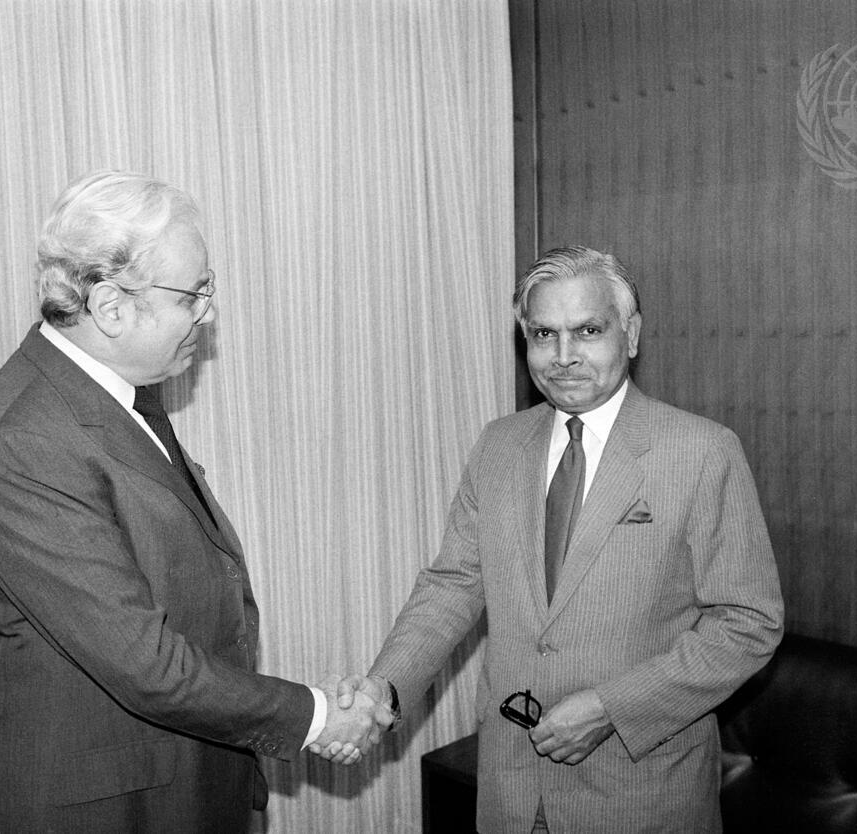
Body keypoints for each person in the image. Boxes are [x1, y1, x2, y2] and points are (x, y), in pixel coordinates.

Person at [0, 171, 385, 833]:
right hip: (102, 812)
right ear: (111, 306)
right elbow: (145, 663)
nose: (207, 313)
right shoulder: (23, 443)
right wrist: (317, 717)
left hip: (183, 789)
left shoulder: (118, 396)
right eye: (192, 294)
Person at [325, 246, 784, 832]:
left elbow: (748, 623)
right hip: (511, 792)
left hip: (640, 796)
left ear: (631, 335)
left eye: (588, 331)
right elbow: (453, 585)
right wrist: (382, 691)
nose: (563, 356)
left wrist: (612, 709)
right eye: (544, 334)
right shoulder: (498, 445)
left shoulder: (701, 452)